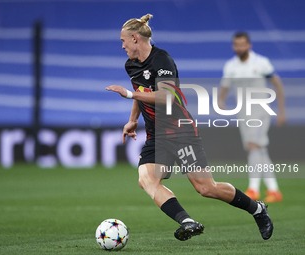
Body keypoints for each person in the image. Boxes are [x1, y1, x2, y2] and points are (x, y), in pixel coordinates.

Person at [106, 14, 273, 241]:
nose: (122, 45)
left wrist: (127, 94)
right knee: (146, 178)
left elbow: (166, 96)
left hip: (180, 131)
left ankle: (257, 209)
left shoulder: (162, 60)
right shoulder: (131, 64)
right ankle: (187, 221)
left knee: (206, 188)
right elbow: (142, 90)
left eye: (123, 40)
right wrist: (133, 118)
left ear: (135, 38)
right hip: (157, 135)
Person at [218, 32, 286, 203]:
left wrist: (282, 110)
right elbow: (225, 86)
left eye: (243, 44)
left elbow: (277, 84)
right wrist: (221, 101)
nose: (240, 47)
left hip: (261, 111)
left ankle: (253, 189)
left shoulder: (261, 62)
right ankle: (274, 190)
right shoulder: (230, 66)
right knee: (259, 150)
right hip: (244, 112)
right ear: (234, 46)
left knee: (253, 145)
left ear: (249, 45)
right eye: (237, 44)